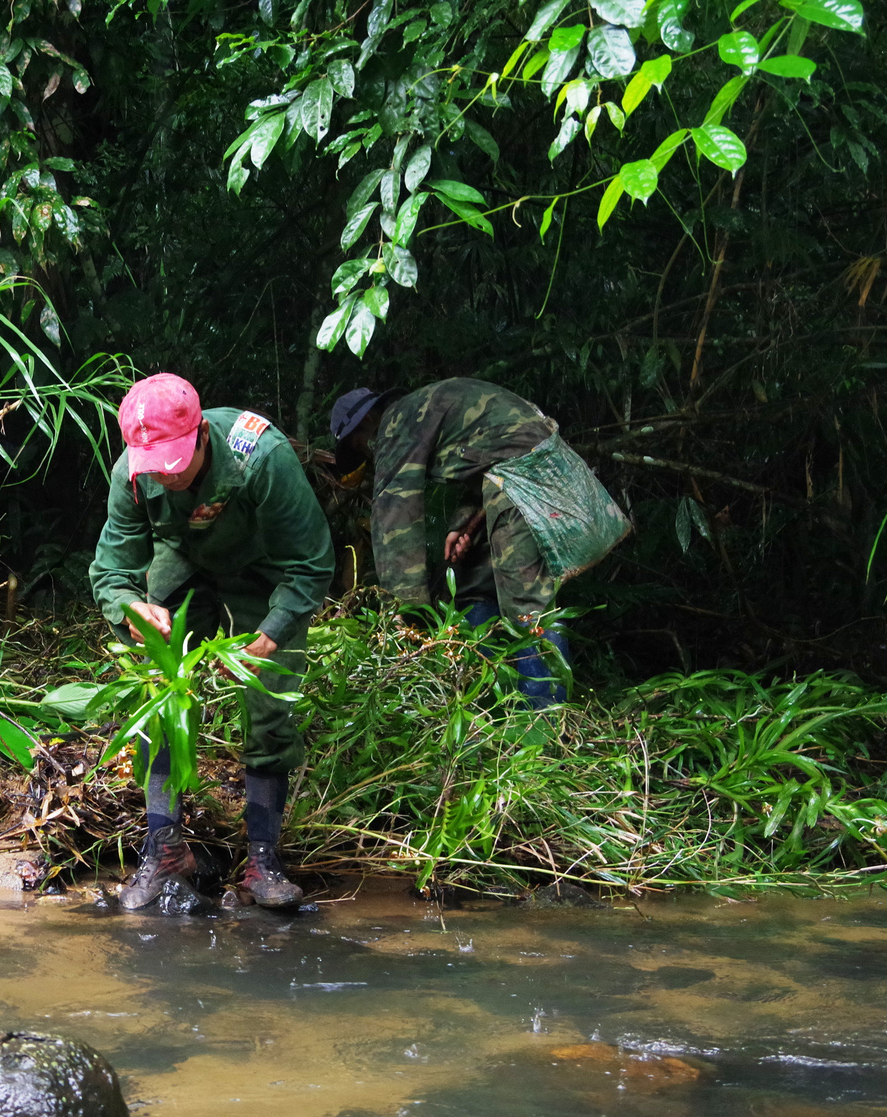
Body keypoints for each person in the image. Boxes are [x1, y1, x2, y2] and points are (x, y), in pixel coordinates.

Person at [89, 373, 335, 911]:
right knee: (160, 696)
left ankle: (262, 864)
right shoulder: (132, 471)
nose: (166, 479)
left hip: (266, 573)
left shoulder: (261, 458)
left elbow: (312, 564)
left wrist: (271, 635)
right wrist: (130, 605)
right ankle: (165, 850)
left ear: (201, 434)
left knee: (269, 702)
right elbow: (112, 569)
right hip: (185, 564)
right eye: (156, 469)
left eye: (174, 465)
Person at [328, 379, 629, 706]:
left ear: (367, 421)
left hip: (524, 484)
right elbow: (491, 454)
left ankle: (548, 724)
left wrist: (402, 610)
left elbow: (395, 513)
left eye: (359, 443)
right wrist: (465, 523)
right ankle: (486, 701)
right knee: (472, 587)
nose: (365, 449)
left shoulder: (396, 423)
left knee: (528, 610)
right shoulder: (424, 406)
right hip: (524, 477)